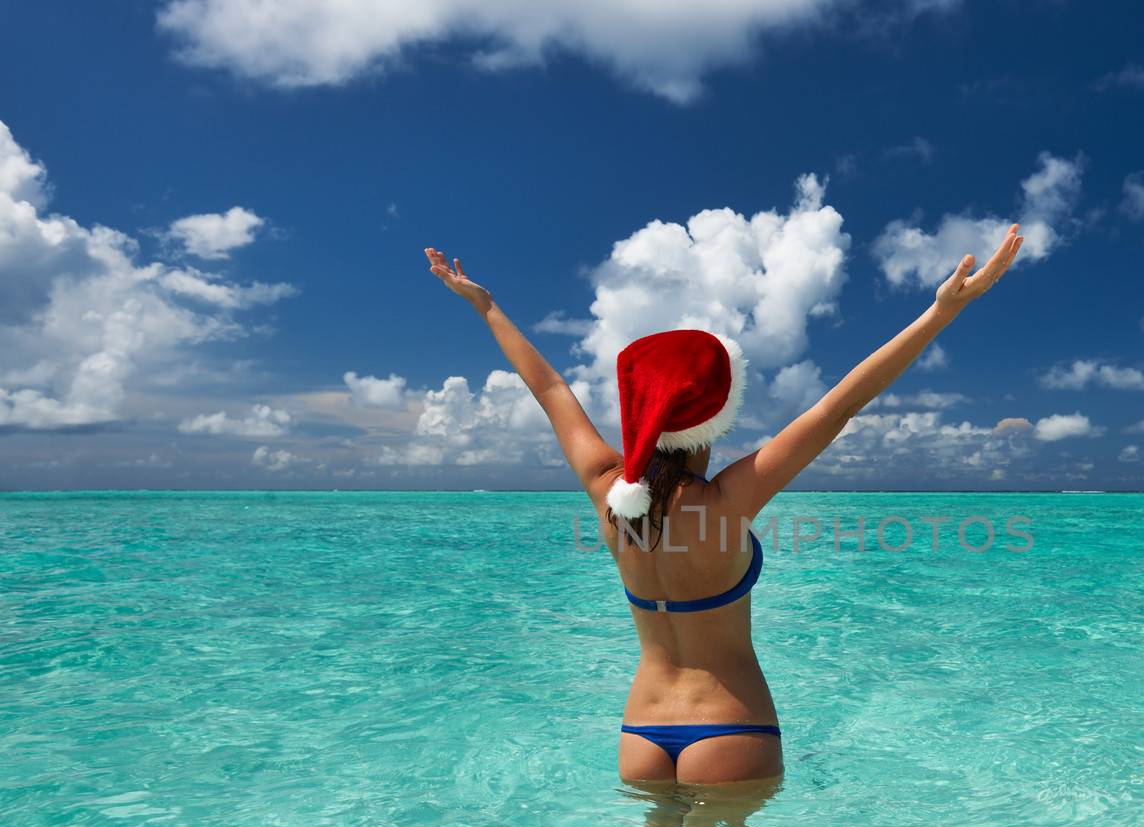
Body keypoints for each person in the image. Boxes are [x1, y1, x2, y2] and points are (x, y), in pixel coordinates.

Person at [423, 223, 1022, 787]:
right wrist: (943, 311)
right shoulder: (728, 499)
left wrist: (485, 306)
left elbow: (549, 388)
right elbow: (838, 406)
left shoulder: (609, 491)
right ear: (714, 418)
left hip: (640, 733)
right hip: (731, 727)